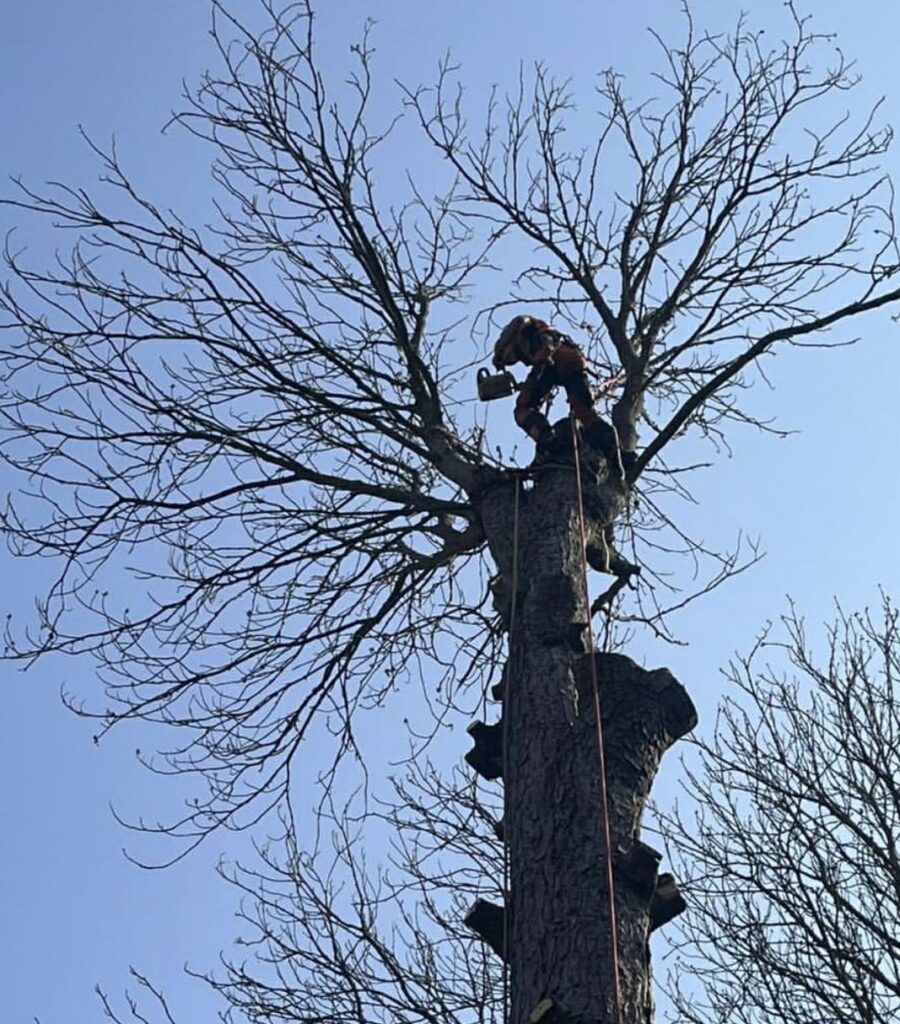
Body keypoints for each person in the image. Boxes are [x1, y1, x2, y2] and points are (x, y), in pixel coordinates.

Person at [492, 315, 625, 479]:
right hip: (572, 360)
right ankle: (611, 446)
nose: (514, 360)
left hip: (552, 360)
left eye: (511, 357)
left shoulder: (531, 334)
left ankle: (550, 442)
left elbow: (545, 345)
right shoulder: (542, 333)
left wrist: (544, 356)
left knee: (523, 408)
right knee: (584, 411)